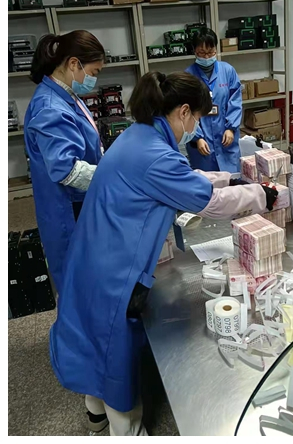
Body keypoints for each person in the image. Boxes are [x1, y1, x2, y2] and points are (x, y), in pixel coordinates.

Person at [49, 71, 277, 436]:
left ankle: (96, 413)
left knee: (93, 343)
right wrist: (261, 195)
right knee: (113, 353)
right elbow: (209, 203)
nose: (196, 127)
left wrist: (230, 178)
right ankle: (126, 430)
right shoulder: (155, 154)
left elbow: (184, 179)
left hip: (92, 255)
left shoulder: (140, 136)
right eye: (197, 118)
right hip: (113, 271)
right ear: (184, 111)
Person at [24, 30, 105, 295]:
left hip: (81, 203)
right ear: (73, 64)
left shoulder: (68, 96)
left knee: (91, 279)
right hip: (67, 211)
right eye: (93, 72)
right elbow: (67, 170)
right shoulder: (50, 106)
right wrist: (113, 177)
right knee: (78, 286)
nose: (94, 79)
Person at [185, 27, 242, 173]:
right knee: (206, 181)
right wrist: (197, 137)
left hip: (226, 139)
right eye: (202, 53)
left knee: (231, 180)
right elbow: (186, 112)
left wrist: (230, 128)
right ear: (194, 51)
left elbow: (235, 101)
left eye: (210, 52)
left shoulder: (228, 71)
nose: (206, 57)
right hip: (202, 144)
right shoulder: (188, 77)